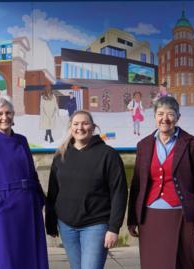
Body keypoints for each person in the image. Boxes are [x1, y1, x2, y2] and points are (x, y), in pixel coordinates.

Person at [127, 96, 194, 269]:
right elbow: (137, 185)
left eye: (170, 114)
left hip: (184, 216)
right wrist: (132, 219)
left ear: (178, 118)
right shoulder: (143, 145)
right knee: (154, 263)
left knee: (185, 263)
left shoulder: (191, 144)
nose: (165, 119)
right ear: (155, 117)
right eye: (160, 114)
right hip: (150, 217)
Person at [46, 110, 128, 269]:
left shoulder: (108, 155)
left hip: (96, 225)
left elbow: (119, 193)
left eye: (85, 123)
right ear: (70, 128)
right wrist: (50, 223)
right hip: (67, 226)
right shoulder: (60, 156)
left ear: (93, 127)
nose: (80, 127)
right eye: (76, 124)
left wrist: (113, 228)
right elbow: (53, 192)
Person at [0, 96, 49, 269]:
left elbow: (32, 172)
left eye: (8, 113)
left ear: (14, 115)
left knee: (32, 255)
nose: (4, 117)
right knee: (6, 257)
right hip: (3, 208)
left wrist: (39, 199)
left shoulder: (22, 140)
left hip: (29, 206)